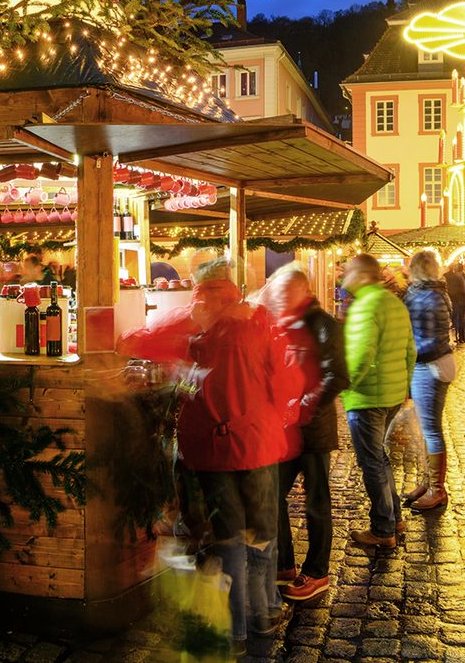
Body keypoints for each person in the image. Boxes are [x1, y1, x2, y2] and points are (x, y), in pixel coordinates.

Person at [175, 259, 288, 653]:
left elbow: (151, 348)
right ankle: (264, 614)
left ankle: (236, 632)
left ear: (201, 287)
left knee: (230, 541)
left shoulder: (194, 323)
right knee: (262, 535)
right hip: (258, 441)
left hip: (213, 448)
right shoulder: (258, 318)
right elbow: (283, 377)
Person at [263, 264, 349, 602]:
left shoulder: (324, 325)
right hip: (283, 430)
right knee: (273, 495)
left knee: (316, 503)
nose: (280, 298)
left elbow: (338, 376)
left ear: (302, 290)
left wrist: (302, 407)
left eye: (286, 292)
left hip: (313, 431)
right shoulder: (285, 323)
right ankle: (283, 562)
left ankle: (317, 572)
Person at [341, 253, 416, 549]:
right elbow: (411, 349)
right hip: (393, 393)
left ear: (361, 276)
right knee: (379, 458)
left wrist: (343, 387)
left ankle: (384, 530)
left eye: (348, 271)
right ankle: (395, 518)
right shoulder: (393, 303)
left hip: (368, 396)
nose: (344, 276)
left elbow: (360, 357)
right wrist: (405, 385)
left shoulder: (365, 307)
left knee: (372, 462)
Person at [403, 251, 454, 512]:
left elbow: (427, 339)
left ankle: (437, 489)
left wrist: (408, 358)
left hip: (429, 365)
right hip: (433, 363)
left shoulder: (425, 296)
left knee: (432, 429)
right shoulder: (434, 291)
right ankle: (427, 481)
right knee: (427, 427)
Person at [445, 261, 465, 344]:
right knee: (460, 319)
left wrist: (450, 291)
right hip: (461, 300)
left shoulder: (458, 277)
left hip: (458, 300)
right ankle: (462, 336)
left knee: (459, 319)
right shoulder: (462, 277)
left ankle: (461, 336)